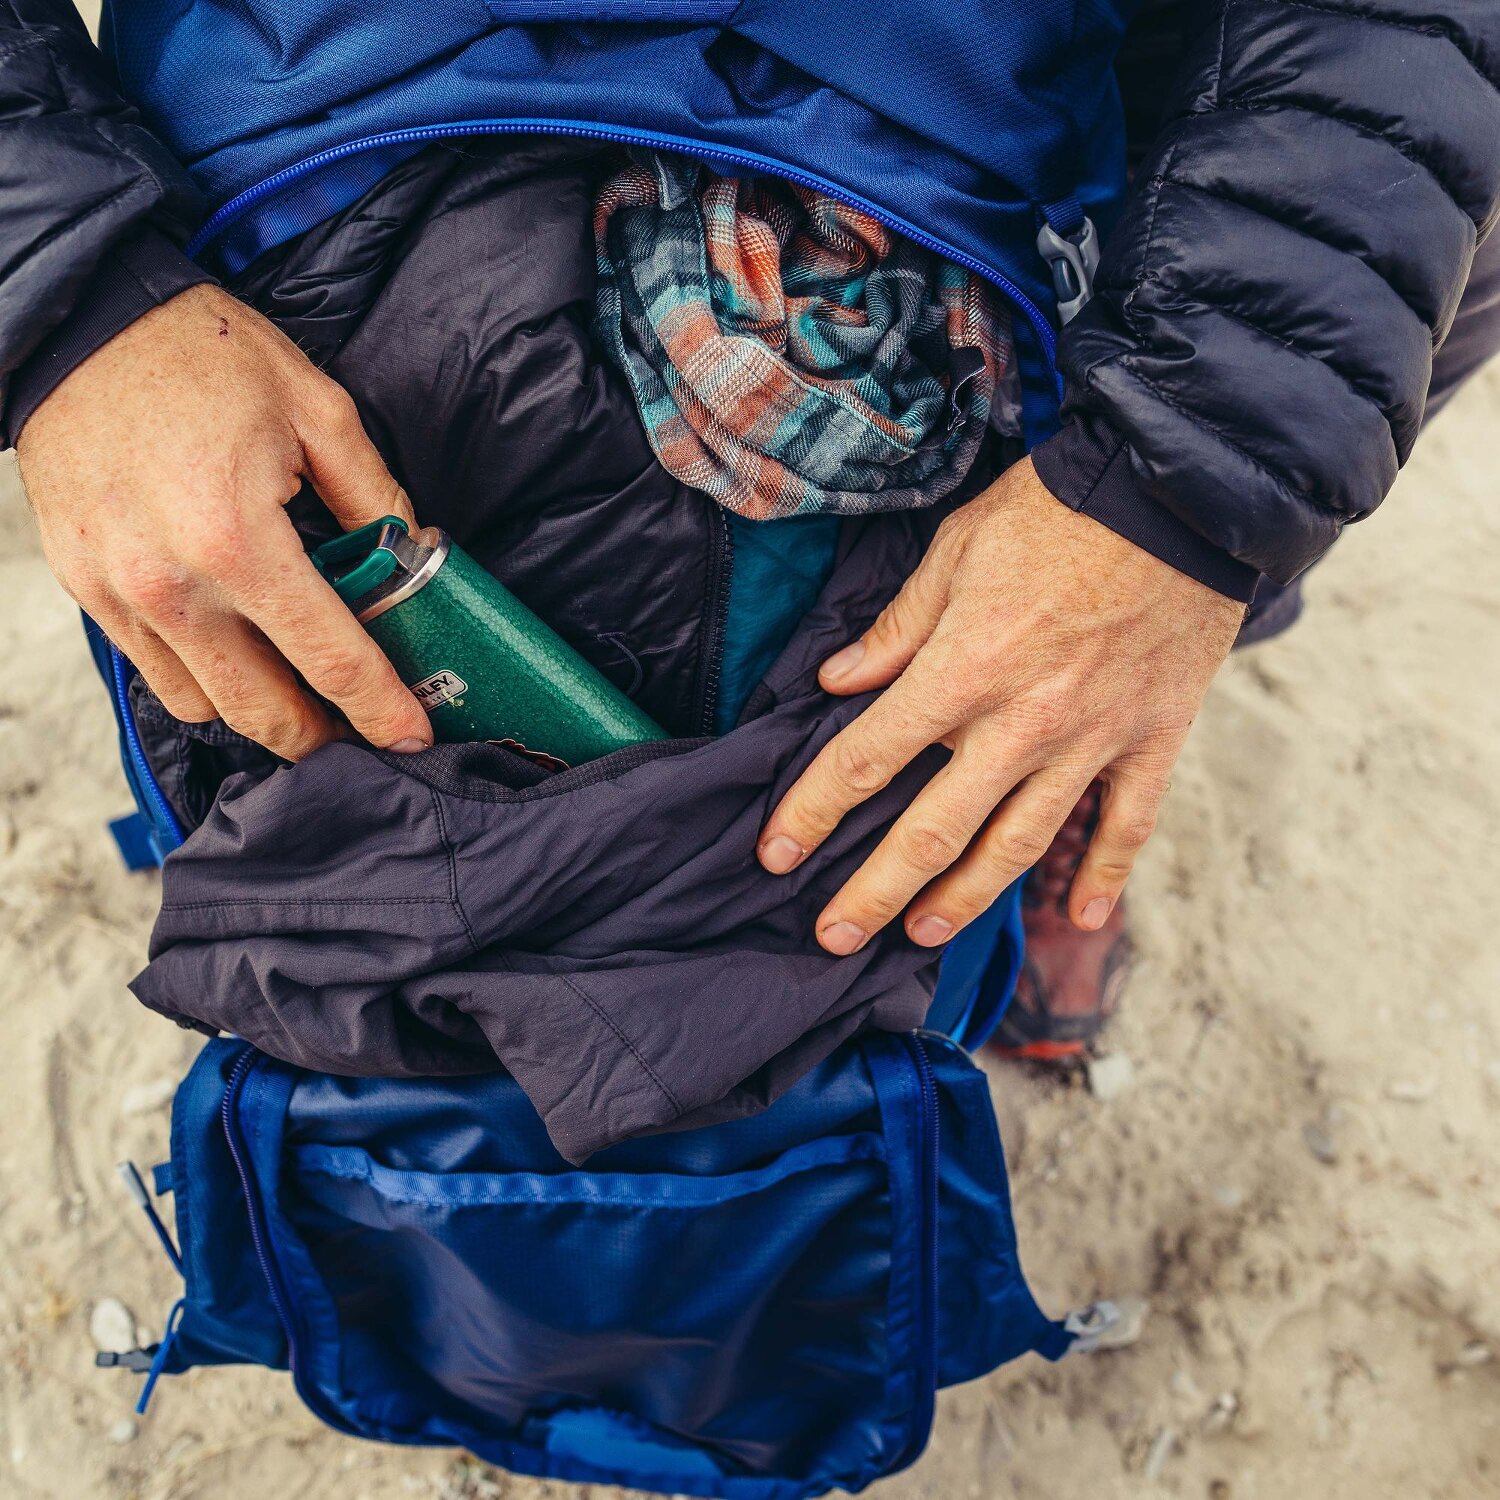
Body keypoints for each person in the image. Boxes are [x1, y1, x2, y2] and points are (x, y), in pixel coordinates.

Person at [4, 0, 1497, 1056]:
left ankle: (1064, 785)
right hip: (304, 149)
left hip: (1035, 105)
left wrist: (1184, 488)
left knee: (1166, 538)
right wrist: (68, 293)